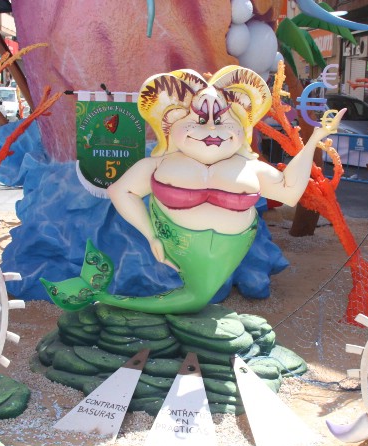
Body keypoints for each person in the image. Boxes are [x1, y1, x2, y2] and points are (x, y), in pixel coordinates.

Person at [42, 66, 345, 314]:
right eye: (199, 119)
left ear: (241, 125)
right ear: (171, 123)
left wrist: (314, 139)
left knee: (197, 298)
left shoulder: (249, 166)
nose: (212, 129)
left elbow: (289, 191)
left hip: (226, 252)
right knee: (193, 298)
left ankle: (109, 298)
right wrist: (151, 236)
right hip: (179, 248)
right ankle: (102, 297)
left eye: (222, 120)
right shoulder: (159, 164)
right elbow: (121, 191)